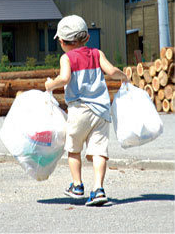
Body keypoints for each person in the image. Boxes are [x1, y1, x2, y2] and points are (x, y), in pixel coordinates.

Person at [45, 15, 128, 206]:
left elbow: (64, 78)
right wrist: (123, 76)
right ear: (87, 38)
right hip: (101, 111)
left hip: (79, 110)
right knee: (99, 150)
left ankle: (77, 185)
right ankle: (98, 189)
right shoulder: (97, 54)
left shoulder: (67, 58)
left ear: (63, 42)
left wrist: (51, 84)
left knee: (73, 149)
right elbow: (112, 71)